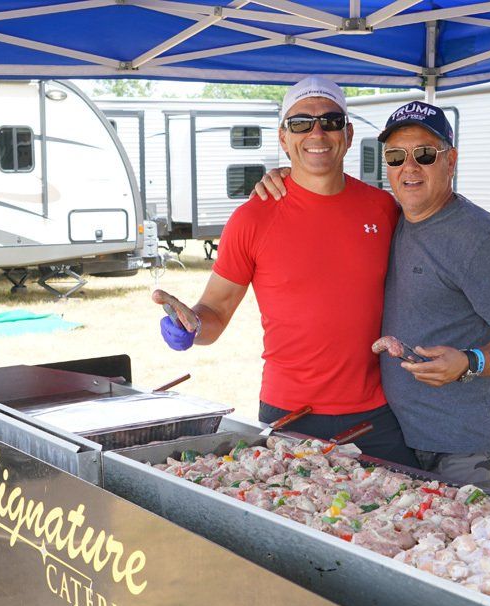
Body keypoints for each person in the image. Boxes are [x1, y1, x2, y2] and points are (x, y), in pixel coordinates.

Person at [254, 100, 490, 493]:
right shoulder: (391, 215)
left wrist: (468, 362)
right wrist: (288, 173)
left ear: (450, 161)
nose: (410, 167)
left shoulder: (479, 238)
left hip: (469, 446)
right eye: (396, 157)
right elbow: (328, 190)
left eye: (424, 154)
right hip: (399, 437)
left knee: (466, 547)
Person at [150, 77, 415, 465]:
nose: (317, 133)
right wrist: (190, 327)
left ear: (349, 133)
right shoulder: (252, 219)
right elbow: (216, 312)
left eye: (331, 121)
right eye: (301, 123)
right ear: (283, 137)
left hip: (378, 412)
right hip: (291, 415)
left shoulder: (384, 209)